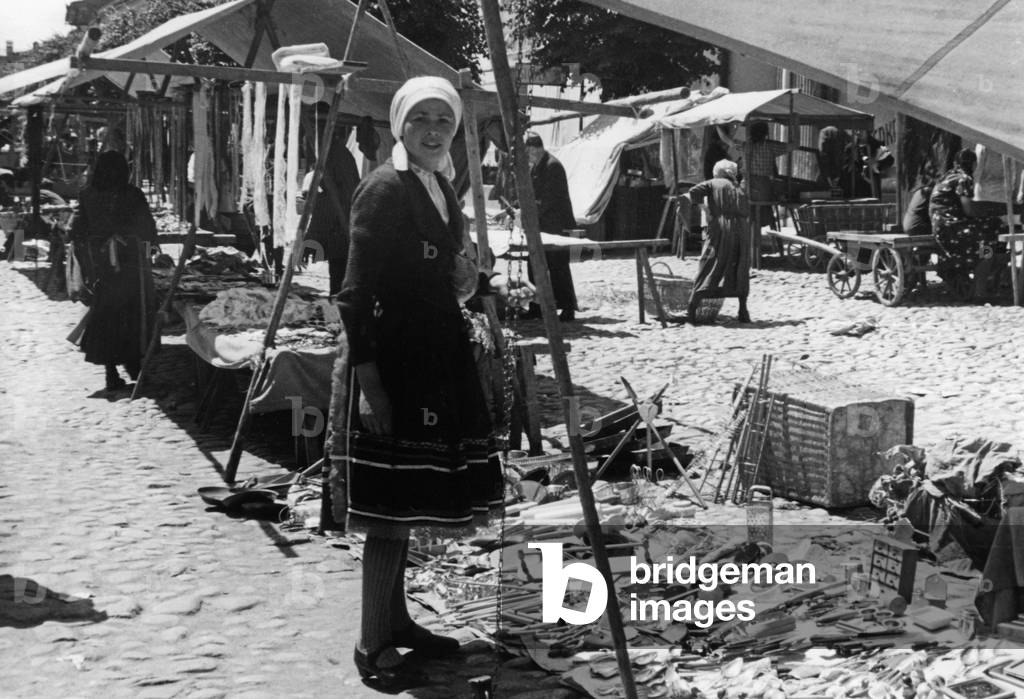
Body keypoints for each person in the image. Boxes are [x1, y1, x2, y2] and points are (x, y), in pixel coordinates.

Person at [328, 76, 504, 686]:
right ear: (399, 124)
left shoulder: (440, 189)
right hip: (395, 360)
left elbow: (441, 275)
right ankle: (371, 642)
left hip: (436, 358)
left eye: (444, 121)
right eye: (421, 118)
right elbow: (353, 295)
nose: (433, 130)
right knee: (388, 508)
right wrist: (370, 385)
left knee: (411, 504)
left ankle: (398, 621)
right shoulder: (383, 188)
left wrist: (467, 278)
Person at [69, 151, 157, 392]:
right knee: (132, 315)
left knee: (107, 316)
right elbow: (148, 229)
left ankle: (113, 372)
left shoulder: (87, 194)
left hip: (102, 267)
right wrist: (149, 257)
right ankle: (134, 366)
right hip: (130, 265)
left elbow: (77, 231)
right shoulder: (132, 194)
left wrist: (90, 260)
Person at [929, 148, 1021, 297]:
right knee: (988, 241)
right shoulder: (963, 179)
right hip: (951, 227)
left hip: (941, 226)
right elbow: (970, 210)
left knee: (993, 226)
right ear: (974, 165)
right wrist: (1003, 209)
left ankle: (989, 267)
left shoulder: (948, 176)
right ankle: (981, 289)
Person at [680, 159, 752, 324]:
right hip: (741, 229)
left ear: (718, 172)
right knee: (739, 264)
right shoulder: (738, 187)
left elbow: (693, 191)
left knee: (710, 262)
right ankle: (743, 311)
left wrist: (704, 208)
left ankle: (692, 310)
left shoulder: (713, 183)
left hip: (721, 228)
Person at [297, 127, 361, 296]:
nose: (306, 147)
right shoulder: (332, 155)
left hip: (343, 229)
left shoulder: (337, 157)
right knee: (339, 280)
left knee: (341, 284)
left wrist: (312, 237)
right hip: (340, 229)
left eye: (307, 143)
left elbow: (335, 201)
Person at [524, 131, 578, 321]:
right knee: (533, 263)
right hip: (541, 225)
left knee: (558, 267)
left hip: (556, 225)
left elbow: (549, 200)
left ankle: (568, 307)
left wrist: (527, 213)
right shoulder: (536, 167)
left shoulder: (552, 166)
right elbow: (530, 194)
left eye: (527, 150)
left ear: (533, 148)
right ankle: (536, 306)